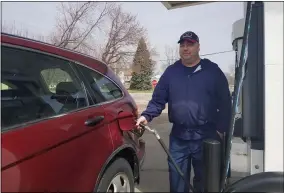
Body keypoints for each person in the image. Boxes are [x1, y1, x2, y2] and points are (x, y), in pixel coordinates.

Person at [136, 31, 232, 192]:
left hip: (206, 135)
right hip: (179, 138)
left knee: (205, 182)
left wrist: (221, 129)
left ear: (198, 47)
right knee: (177, 182)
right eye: (182, 45)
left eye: (190, 44)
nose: (185, 48)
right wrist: (146, 116)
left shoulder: (212, 71)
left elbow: (225, 102)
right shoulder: (171, 72)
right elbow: (158, 99)